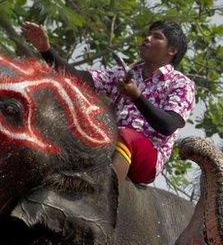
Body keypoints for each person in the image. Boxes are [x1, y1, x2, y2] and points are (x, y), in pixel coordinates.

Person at [20, 20, 196, 184]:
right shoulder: (123, 73)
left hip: (146, 156)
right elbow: (79, 79)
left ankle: (102, 198)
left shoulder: (180, 84)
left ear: (172, 50)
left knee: (124, 135)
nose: (147, 38)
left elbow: (168, 125)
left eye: (157, 37)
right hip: (108, 143)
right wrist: (46, 50)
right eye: (148, 34)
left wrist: (136, 97)